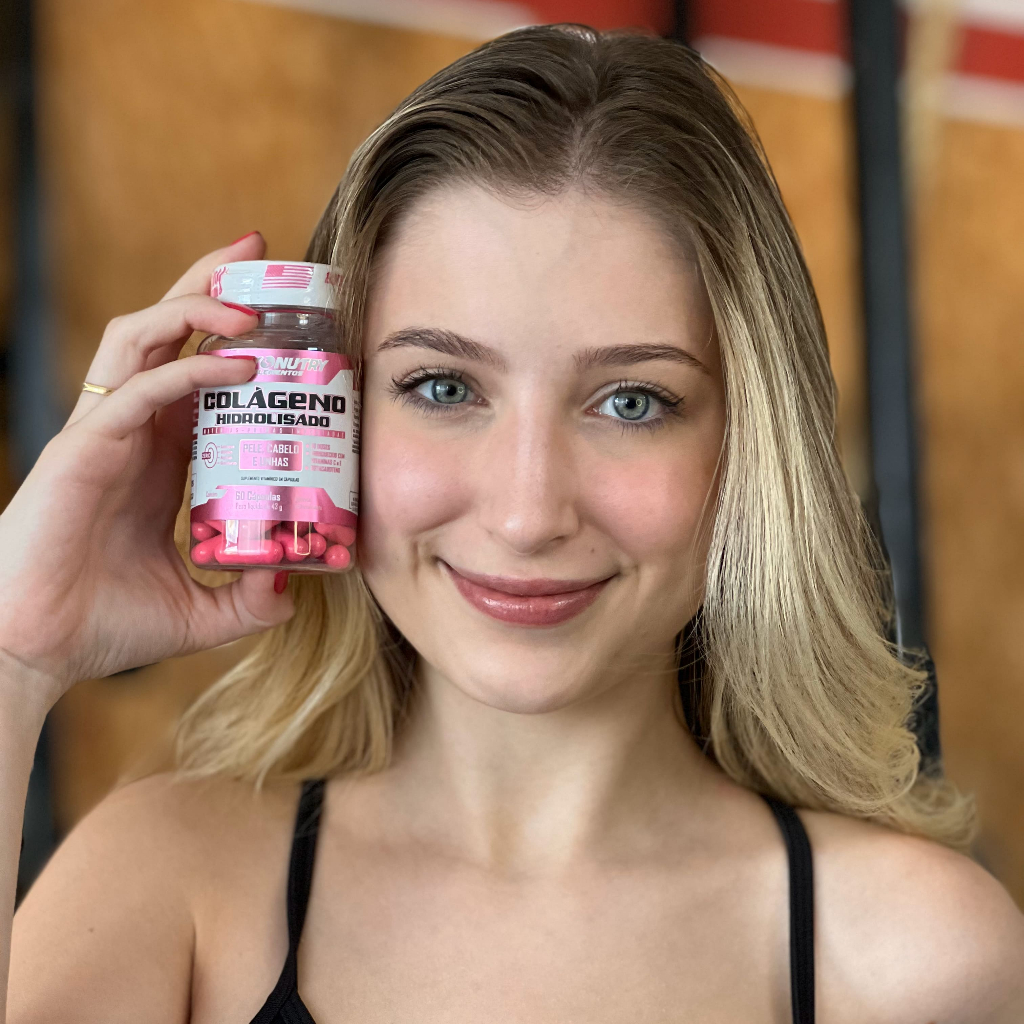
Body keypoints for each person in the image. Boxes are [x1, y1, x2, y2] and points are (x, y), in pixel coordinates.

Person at [1, 23, 1021, 1024]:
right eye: (442, 387)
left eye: (631, 401)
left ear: (751, 445)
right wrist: (14, 658)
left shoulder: (916, 962)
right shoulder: (167, 885)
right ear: (331, 416)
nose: (528, 513)